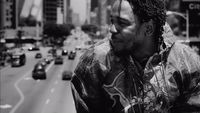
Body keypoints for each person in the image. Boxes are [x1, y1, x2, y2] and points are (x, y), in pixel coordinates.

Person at [71, 0, 200, 113]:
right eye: (112, 21)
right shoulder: (94, 62)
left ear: (148, 29)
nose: (112, 29)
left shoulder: (186, 62)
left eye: (122, 23)